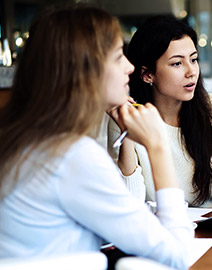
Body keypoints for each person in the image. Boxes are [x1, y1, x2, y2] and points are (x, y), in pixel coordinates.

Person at [0, 5, 193, 269]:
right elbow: (178, 255)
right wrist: (157, 145)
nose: (129, 66)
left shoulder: (25, 141)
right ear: (83, 71)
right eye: (117, 57)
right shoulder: (72, 155)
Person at [108, 15, 212, 227]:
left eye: (193, 59)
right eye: (177, 63)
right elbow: (130, 205)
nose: (191, 71)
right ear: (147, 74)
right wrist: (127, 133)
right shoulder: (128, 117)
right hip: (166, 232)